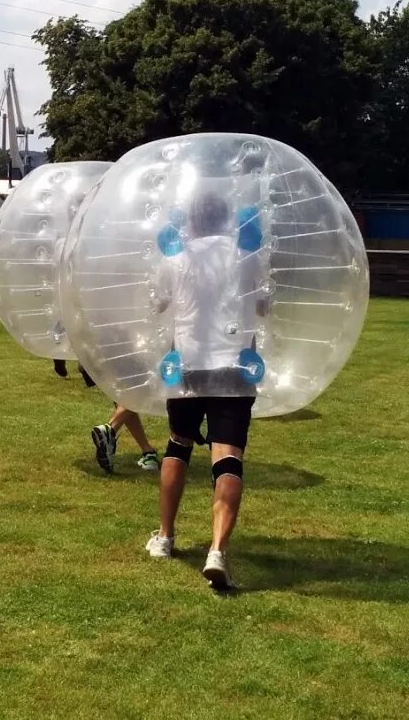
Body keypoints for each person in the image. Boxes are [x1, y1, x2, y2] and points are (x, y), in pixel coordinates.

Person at [144, 190, 269, 591]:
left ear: (193, 221)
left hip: (189, 364)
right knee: (228, 455)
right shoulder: (245, 256)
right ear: (226, 219)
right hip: (235, 364)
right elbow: (266, 307)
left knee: (178, 444)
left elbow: (158, 304)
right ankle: (217, 550)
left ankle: (165, 538)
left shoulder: (176, 257)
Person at [56, 360, 160, 473]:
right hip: (127, 350)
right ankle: (110, 429)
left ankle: (147, 451)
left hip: (104, 352)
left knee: (125, 395)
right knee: (148, 385)